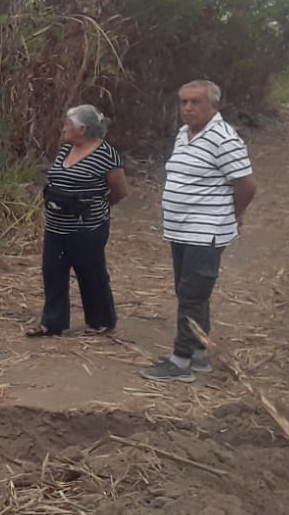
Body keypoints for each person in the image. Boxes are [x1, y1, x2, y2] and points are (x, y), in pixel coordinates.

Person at [141, 80, 257, 383]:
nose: (188, 108)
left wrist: (234, 214)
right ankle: (199, 353)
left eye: (196, 102)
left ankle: (180, 361)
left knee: (192, 295)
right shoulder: (184, 134)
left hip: (205, 231)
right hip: (181, 230)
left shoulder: (223, 138)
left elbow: (246, 184)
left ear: (214, 106)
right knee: (189, 292)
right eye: (184, 102)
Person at [27, 104, 129, 337]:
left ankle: (101, 320)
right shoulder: (66, 149)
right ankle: (52, 322)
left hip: (88, 227)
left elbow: (120, 190)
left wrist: (95, 207)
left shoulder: (107, 155)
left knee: (90, 272)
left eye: (68, 124)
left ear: (82, 129)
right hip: (56, 225)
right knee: (53, 271)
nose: (63, 128)